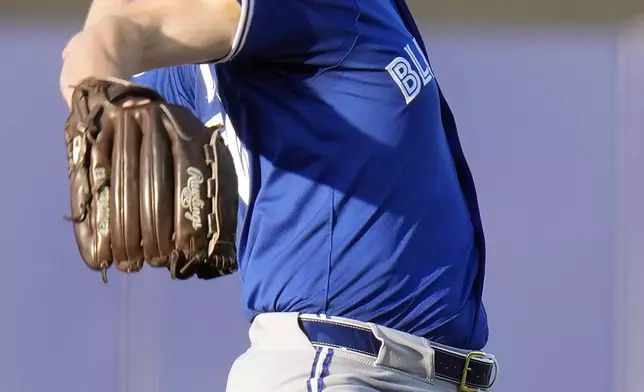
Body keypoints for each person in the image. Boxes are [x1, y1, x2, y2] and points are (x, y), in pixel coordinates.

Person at [60, 0, 499, 391]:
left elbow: (102, 36)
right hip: (338, 367)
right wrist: (106, 98)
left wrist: (98, 92)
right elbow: (115, 34)